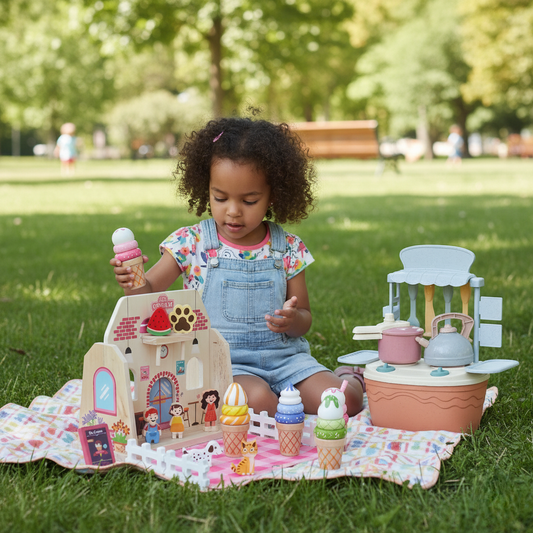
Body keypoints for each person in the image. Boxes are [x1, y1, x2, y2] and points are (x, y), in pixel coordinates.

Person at [111, 117, 364, 418]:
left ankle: (352, 376)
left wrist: (293, 319)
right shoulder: (191, 243)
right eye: (220, 197)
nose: (233, 211)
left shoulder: (288, 248)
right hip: (223, 364)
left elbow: (305, 319)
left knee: (344, 403)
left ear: (274, 195)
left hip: (286, 361)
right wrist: (132, 279)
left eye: (249, 200)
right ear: (206, 189)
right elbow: (148, 294)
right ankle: (270, 397)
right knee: (260, 402)